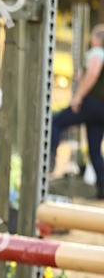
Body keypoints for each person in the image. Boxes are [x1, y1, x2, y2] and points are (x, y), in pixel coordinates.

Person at [50, 23, 104, 200]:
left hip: (91, 104)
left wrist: (78, 96)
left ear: (96, 39)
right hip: (101, 109)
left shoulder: (97, 53)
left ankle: (49, 160)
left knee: (56, 122)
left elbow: (93, 73)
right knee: (95, 150)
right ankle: (102, 187)